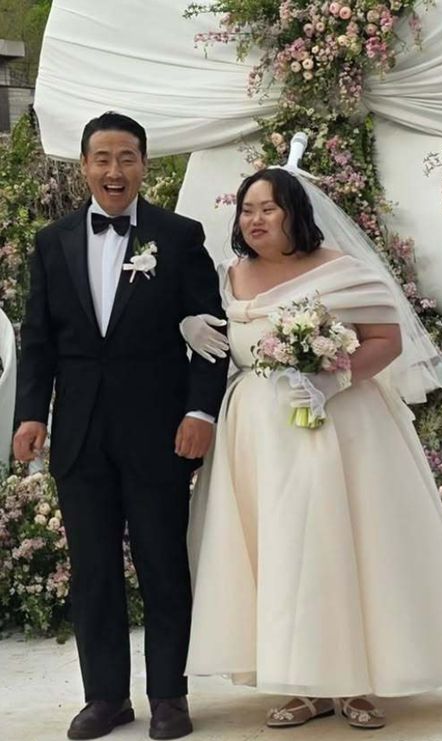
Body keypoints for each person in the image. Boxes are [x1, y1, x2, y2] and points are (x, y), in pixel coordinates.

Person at [183, 167, 442, 729]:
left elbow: (387, 340)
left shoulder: (343, 271)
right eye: (247, 210)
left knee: (335, 547)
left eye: (268, 209)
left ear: (295, 213)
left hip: (336, 427)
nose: (255, 220)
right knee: (278, 553)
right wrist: (184, 322)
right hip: (255, 434)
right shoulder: (228, 275)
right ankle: (301, 684)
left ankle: (354, 683)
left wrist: (332, 379)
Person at [13, 111, 228, 740]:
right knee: (94, 573)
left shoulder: (178, 236)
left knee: (164, 566)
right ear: (84, 166)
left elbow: (211, 334)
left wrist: (200, 411)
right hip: (80, 435)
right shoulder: (52, 242)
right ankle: (105, 697)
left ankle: (169, 696)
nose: (114, 170)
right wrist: (31, 413)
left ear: (143, 164)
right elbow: (38, 339)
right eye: (102, 158)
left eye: (126, 157)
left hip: (159, 431)